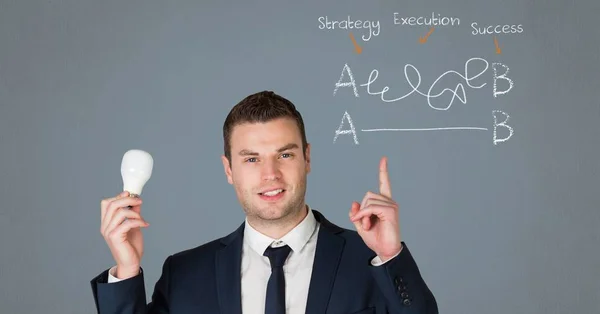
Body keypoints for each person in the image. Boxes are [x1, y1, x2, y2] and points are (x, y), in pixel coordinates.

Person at [90, 91, 438, 314]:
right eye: (252, 159)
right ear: (229, 169)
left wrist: (391, 259)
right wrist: (126, 269)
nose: (270, 174)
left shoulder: (372, 262)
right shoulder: (185, 276)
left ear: (307, 158)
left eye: (284, 155)